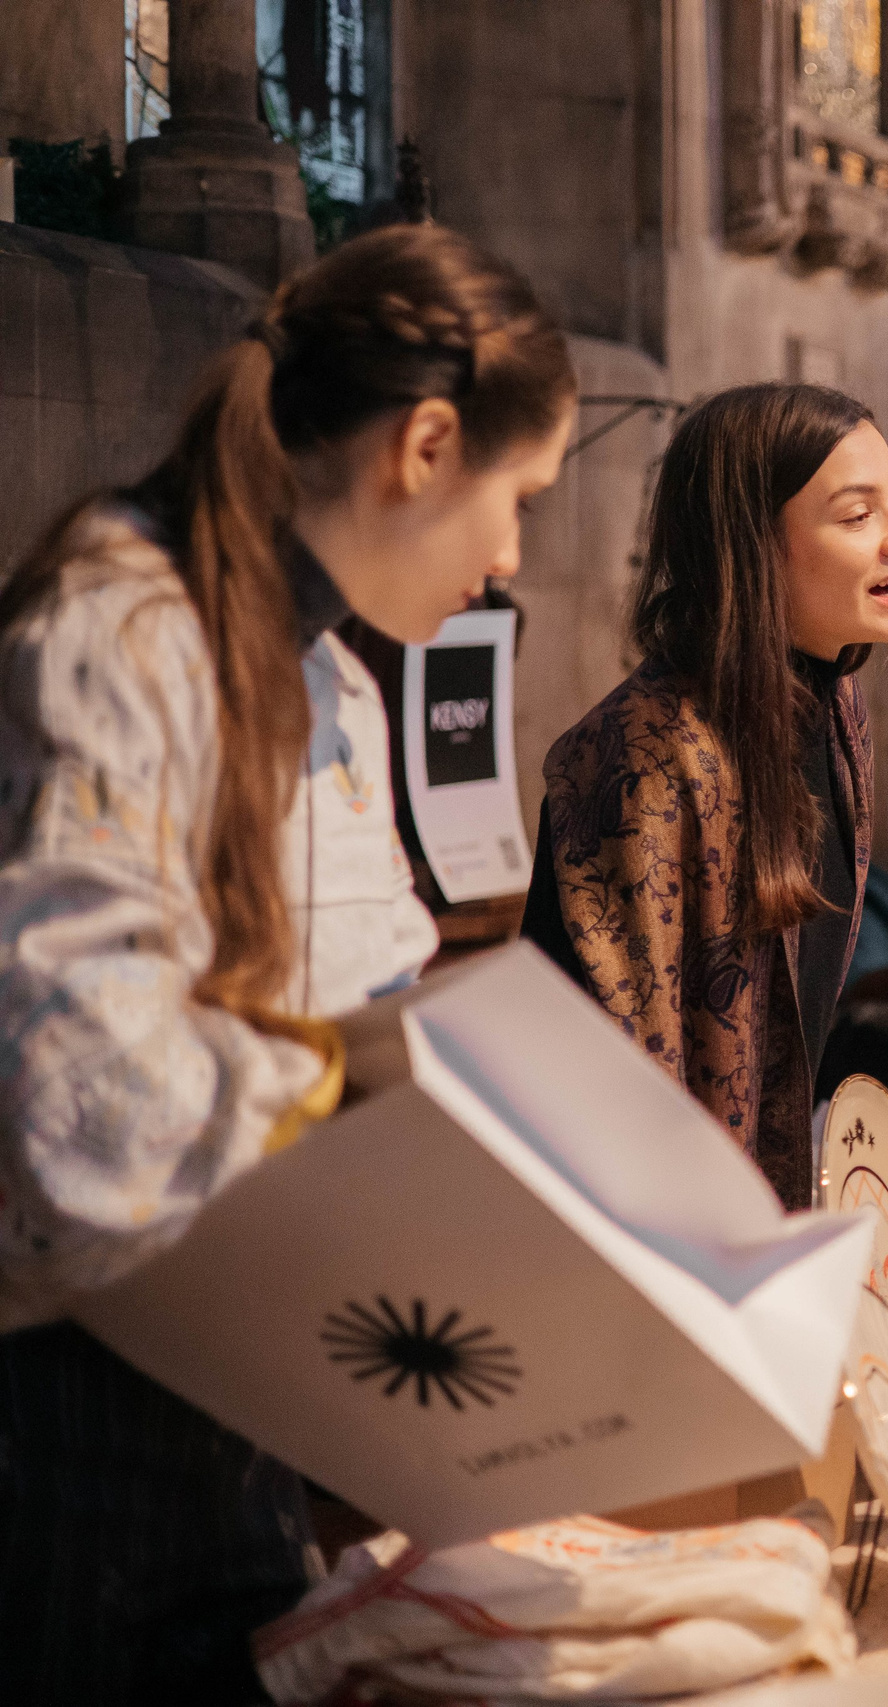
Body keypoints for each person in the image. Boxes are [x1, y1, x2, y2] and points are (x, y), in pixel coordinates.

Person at [0, 224, 575, 1701]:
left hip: (245, 1381)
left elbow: (369, 983)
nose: (512, 556)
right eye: (516, 499)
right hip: (75, 1426)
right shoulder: (120, 631)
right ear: (426, 444)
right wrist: (350, 1085)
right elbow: (87, 1115)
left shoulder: (327, 671)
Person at [526, 384, 888, 1208]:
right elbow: (619, 1083)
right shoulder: (644, 757)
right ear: (750, 545)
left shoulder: (834, 704)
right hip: (656, 1231)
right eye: (857, 516)